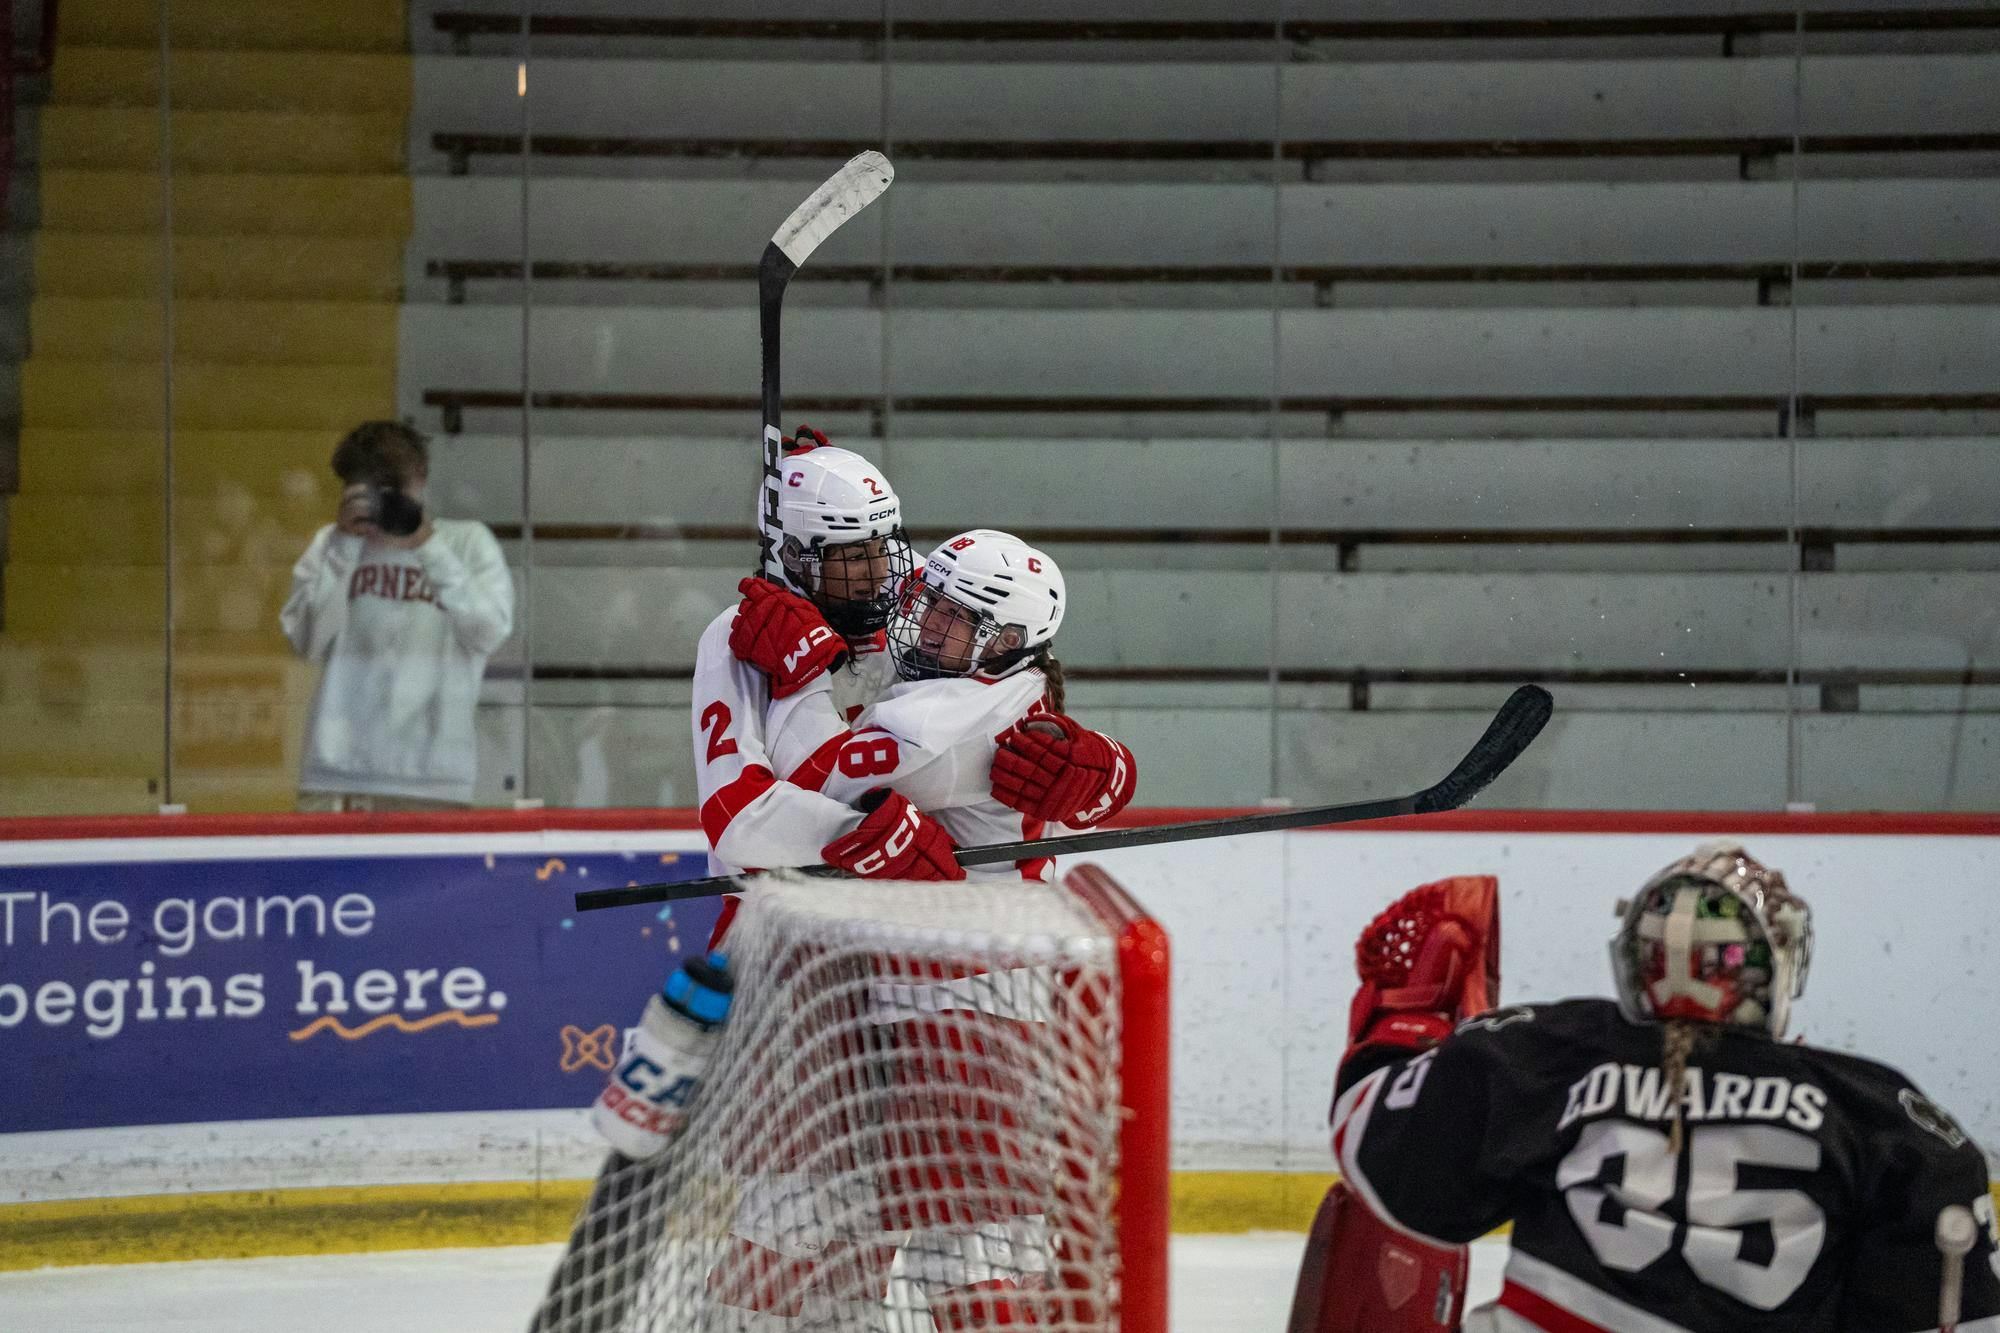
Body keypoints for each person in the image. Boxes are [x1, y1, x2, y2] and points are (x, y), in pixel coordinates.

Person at [1291, 842, 2000, 1333]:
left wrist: (1404, 1019)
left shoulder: (1546, 1052)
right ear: (1778, 966)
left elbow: (1375, 1151)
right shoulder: (1879, 1117)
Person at [280, 420, 513, 811]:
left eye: (392, 485)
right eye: (369, 486)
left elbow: (489, 632)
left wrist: (427, 545)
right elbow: (306, 642)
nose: (383, 497)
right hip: (337, 774)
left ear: (421, 477)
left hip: (434, 779)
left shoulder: (467, 543)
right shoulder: (331, 545)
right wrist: (344, 549)